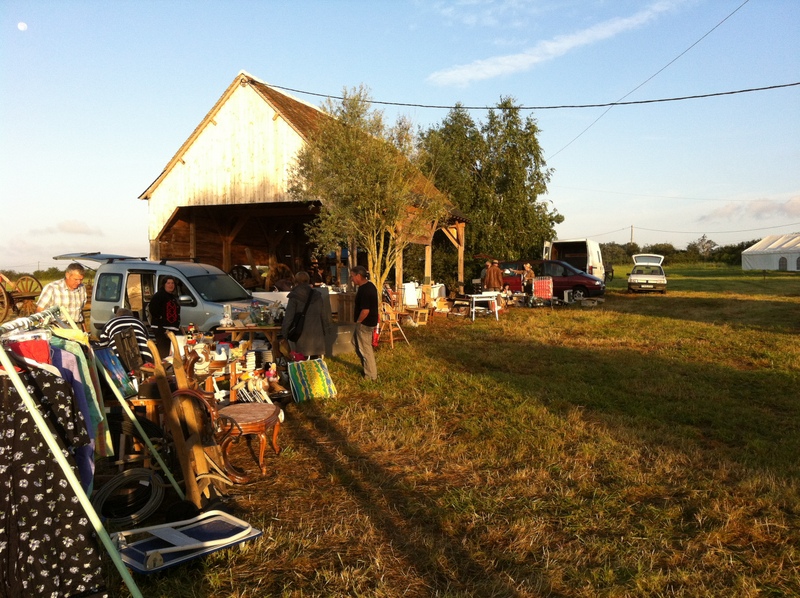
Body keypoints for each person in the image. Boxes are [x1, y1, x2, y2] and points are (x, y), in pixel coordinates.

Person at [281, 271, 330, 358]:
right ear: (308, 280)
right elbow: (323, 315)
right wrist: (326, 330)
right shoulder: (317, 295)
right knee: (315, 362)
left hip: (301, 334)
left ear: (296, 281)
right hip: (317, 334)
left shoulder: (294, 296)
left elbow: (289, 317)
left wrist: (284, 333)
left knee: (301, 360)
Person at [36, 262, 88, 327]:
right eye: (76, 279)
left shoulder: (82, 288)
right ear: (67, 275)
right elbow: (40, 310)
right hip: (57, 327)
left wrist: (83, 328)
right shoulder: (52, 288)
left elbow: (80, 310)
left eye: (81, 279)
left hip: (77, 326)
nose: (78, 282)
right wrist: (45, 327)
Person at [350, 265, 379, 381]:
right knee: (355, 343)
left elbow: (365, 310)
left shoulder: (366, 290)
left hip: (365, 323)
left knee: (365, 349)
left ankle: (371, 375)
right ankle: (367, 367)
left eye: (352, 276)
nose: (351, 279)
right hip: (367, 322)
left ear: (358, 276)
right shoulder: (368, 286)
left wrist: (358, 321)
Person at [148, 276, 181, 358]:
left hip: (171, 328)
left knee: (170, 352)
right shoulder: (159, 296)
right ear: (164, 285)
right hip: (162, 329)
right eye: (168, 283)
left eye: (172, 283)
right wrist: (161, 322)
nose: (171, 285)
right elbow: (153, 310)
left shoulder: (172, 296)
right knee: (164, 351)